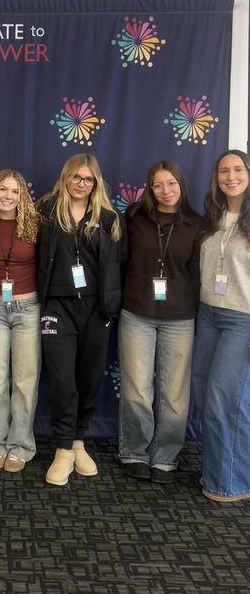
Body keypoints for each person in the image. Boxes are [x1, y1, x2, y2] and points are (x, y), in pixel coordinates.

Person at [37, 154, 126, 486]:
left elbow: (122, 262)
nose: (81, 184)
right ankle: (62, 449)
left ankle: (78, 441)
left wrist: (112, 303)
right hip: (57, 306)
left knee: (89, 378)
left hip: (96, 308)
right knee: (61, 379)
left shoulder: (109, 217)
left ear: (95, 182)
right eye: (75, 177)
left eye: (87, 179)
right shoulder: (45, 212)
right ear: (65, 178)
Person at [118, 161, 202, 484]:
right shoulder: (134, 218)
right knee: (137, 388)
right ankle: (135, 452)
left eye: (171, 184)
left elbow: (198, 272)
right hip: (137, 311)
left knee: (174, 394)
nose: (165, 190)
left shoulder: (197, 224)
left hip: (180, 316)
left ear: (181, 185)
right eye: (157, 185)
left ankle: (165, 455)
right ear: (149, 188)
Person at [191, 149, 250, 502]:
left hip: (242, 320)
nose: (231, 176)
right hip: (208, 314)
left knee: (225, 401)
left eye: (238, 169)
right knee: (204, 395)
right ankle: (219, 468)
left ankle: (232, 482)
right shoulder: (211, 219)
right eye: (224, 170)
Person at [0, 169, 41, 473]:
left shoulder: (35, 224)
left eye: (15, 191)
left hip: (28, 309)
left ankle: (21, 445)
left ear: (23, 196)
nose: (8, 196)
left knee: (25, 380)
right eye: (2, 189)